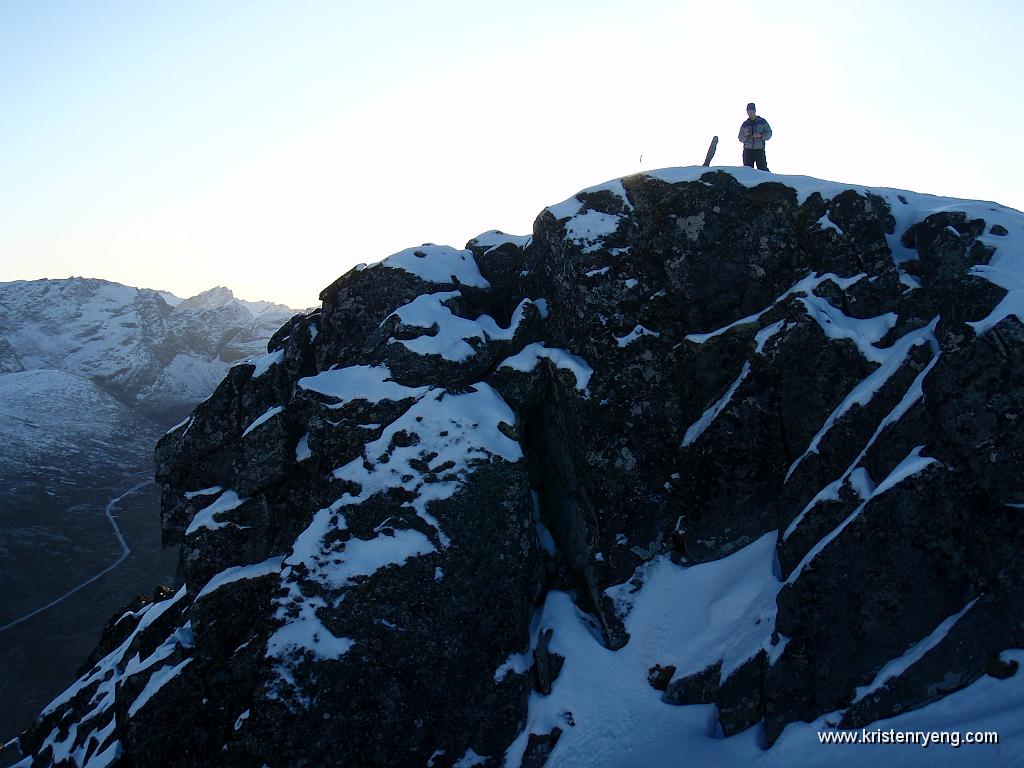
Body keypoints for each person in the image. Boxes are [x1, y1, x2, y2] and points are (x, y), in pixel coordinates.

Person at [738, 102, 772, 171]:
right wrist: (745, 135)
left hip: (759, 150)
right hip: (747, 150)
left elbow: (769, 133)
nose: (750, 112)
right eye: (748, 111)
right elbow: (740, 138)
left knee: (763, 170)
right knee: (747, 171)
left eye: (751, 110)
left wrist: (761, 135)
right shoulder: (745, 124)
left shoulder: (762, 122)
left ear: (755, 111)